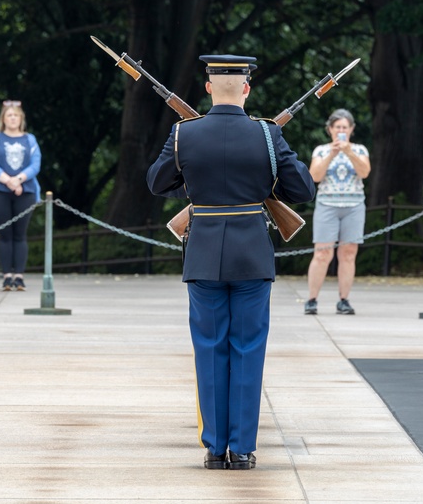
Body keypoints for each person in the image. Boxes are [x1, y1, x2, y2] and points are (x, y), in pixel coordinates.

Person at [146, 54, 315, 470]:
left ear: (207, 88)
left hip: (203, 253)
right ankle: (242, 447)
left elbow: (157, 182)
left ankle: (214, 446)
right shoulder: (267, 134)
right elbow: (303, 188)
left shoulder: (185, 134)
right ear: (246, 88)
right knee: (248, 350)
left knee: (208, 349)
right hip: (252, 255)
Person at [303, 109, 370, 315]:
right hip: (327, 206)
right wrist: (333, 153)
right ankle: (312, 299)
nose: (341, 130)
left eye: (345, 127)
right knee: (322, 253)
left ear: (351, 129)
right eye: (337, 127)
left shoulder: (360, 150)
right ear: (330, 129)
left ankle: (344, 299)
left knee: (348, 254)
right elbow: (314, 176)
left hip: (354, 206)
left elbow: (365, 172)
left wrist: (348, 151)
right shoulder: (321, 150)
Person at [0, 100, 41, 291]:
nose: (13, 118)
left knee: (20, 234)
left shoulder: (29, 139)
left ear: (21, 118)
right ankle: (7, 275)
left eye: (16, 115)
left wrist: (19, 180)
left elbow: (36, 163)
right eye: (9, 115)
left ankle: (20, 275)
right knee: (5, 233)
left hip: (25, 191)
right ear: (3, 119)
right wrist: (8, 180)